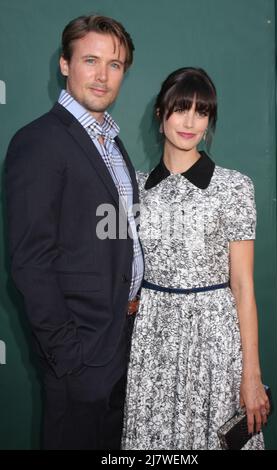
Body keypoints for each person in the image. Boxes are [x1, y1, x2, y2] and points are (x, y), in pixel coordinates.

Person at [5, 15, 143, 450]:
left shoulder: (113, 144)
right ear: (65, 64)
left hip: (123, 344)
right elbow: (30, 262)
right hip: (81, 357)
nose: (102, 76)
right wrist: (70, 358)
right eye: (90, 60)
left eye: (115, 65)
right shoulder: (39, 141)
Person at [122, 67, 270, 450]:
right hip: (153, 340)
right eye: (180, 109)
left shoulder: (234, 187)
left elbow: (243, 285)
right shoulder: (134, 188)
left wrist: (251, 373)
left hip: (215, 341)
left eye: (201, 112)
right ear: (160, 114)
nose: (190, 121)